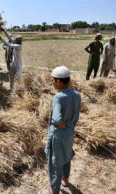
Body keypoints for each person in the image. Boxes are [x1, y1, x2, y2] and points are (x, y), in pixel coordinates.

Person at [44, 66, 81, 194]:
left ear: (59, 81)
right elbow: (76, 113)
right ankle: (65, 180)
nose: (52, 82)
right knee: (67, 156)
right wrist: (69, 125)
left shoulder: (58, 97)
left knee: (55, 162)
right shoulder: (76, 94)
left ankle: (54, 190)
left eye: (53, 80)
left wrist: (59, 124)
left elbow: (57, 119)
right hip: (70, 132)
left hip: (58, 135)